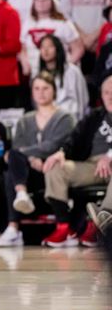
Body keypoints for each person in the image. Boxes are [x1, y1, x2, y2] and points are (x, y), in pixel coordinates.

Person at [0, 72, 75, 247]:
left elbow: (53, 145)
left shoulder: (65, 118)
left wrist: (27, 155)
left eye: (45, 88)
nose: (41, 92)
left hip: (52, 169)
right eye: (36, 88)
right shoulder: (24, 120)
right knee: (9, 169)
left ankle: (21, 198)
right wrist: (31, 160)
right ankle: (13, 228)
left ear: (54, 91)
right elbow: (18, 147)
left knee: (14, 157)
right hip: (30, 173)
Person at [42, 73, 112, 247]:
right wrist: (61, 152)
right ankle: (64, 226)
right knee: (56, 167)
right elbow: (75, 136)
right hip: (92, 166)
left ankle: (101, 222)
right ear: (101, 96)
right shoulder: (95, 116)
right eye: (106, 93)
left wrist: (109, 156)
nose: (110, 97)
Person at [19, 0, 82, 77]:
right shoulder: (28, 23)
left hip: (59, 72)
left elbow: (78, 48)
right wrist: (25, 64)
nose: (41, 2)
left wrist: (67, 66)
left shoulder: (63, 23)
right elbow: (22, 47)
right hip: (35, 72)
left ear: (52, 2)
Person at [39, 34, 89, 122]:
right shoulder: (40, 74)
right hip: (47, 120)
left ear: (58, 49)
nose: (45, 50)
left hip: (71, 119)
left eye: (50, 46)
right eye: (42, 47)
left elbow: (81, 101)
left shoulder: (72, 71)